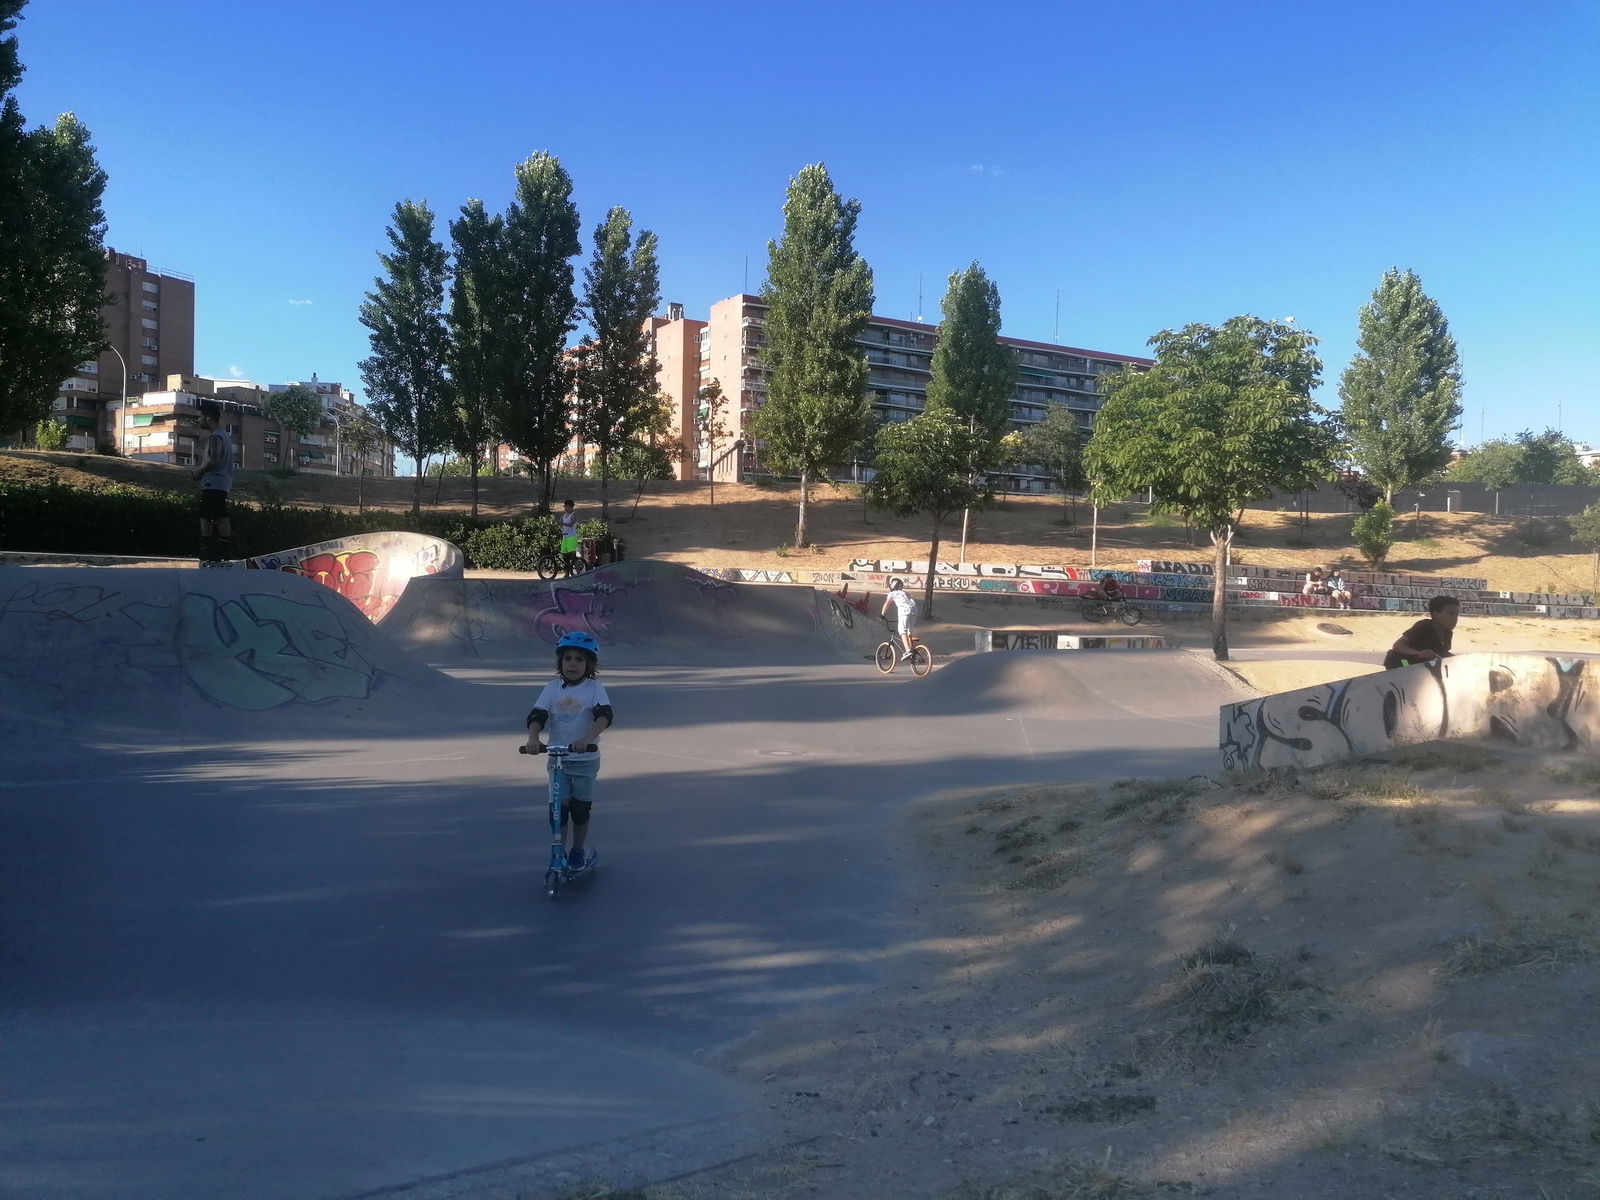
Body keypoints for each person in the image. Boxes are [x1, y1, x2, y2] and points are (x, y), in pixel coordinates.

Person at [524, 631, 613, 870]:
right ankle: (558, 852)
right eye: (568, 658)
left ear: (589, 664)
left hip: (585, 759)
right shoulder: (552, 688)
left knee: (580, 809)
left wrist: (587, 738)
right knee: (558, 810)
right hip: (557, 758)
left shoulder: (594, 688)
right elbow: (538, 714)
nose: (572, 664)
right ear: (560, 662)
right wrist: (533, 738)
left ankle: (577, 849)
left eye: (579, 660)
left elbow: (604, 716)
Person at [190, 405, 235, 565]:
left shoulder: (215, 437)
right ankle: (224, 546)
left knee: (207, 516)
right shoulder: (225, 437)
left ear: (208, 417)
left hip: (213, 481)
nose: (198, 419)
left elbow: (214, 460)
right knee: (219, 513)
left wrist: (199, 471)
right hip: (222, 482)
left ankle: (207, 548)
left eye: (200, 416)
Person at [1383, 596, 1461, 670]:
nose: (1455, 618)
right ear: (1436, 615)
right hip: (1401, 663)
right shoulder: (1424, 626)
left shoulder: (1448, 633)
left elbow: (1441, 654)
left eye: (1457, 614)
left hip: (1420, 669)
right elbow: (1397, 645)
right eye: (1451, 613)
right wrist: (1418, 653)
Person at [880, 578, 920, 661]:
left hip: (904, 611)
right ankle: (912, 649)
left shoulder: (892, 593)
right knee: (909, 630)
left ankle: (908, 651)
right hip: (914, 610)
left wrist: (882, 615)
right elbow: (908, 600)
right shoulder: (905, 592)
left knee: (902, 630)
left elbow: (886, 605)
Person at [559, 499, 580, 573]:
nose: (564, 508)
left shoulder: (574, 515)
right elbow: (560, 523)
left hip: (571, 537)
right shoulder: (563, 515)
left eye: (565, 506)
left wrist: (563, 524)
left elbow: (571, 524)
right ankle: (567, 573)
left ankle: (578, 572)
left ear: (569, 506)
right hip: (565, 537)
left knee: (573, 556)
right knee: (565, 557)